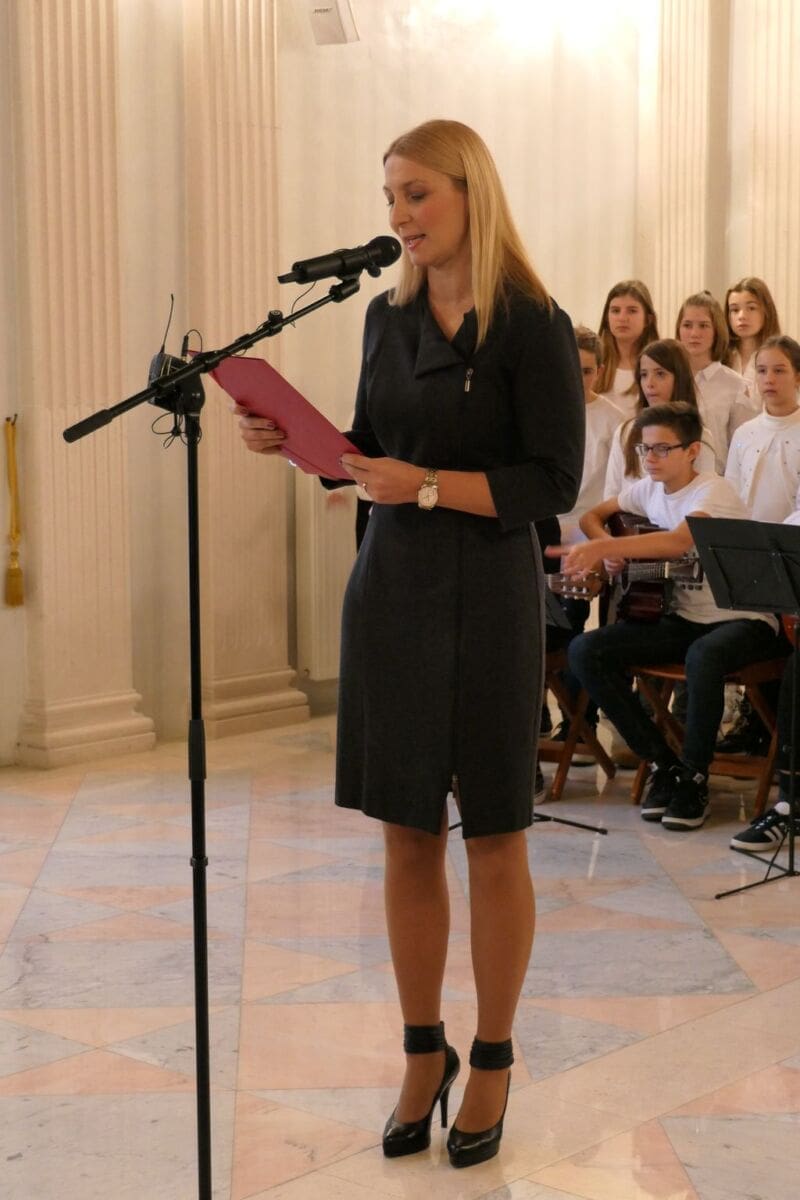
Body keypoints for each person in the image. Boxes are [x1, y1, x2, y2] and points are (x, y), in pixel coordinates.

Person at [233, 118, 584, 1168]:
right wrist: (297, 445)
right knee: (404, 832)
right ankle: (422, 1051)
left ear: (471, 192)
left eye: (416, 194)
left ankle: (494, 1058)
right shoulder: (383, 320)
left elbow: (551, 482)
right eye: (389, 196)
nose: (398, 215)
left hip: (490, 595)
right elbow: (370, 451)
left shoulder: (533, 324)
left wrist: (424, 485)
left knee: (494, 833)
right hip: (391, 591)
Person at [550, 403, 781, 832]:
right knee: (585, 650)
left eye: (661, 449)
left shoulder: (714, 491)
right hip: (683, 620)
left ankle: (695, 779)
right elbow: (593, 516)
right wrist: (608, 547)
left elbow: (677, 543)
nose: (650, 458)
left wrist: (604, 549)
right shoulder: (647, 489)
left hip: (742, 619)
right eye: (644, 449)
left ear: (692, 451)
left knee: (703, 656)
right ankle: (665, 764)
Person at [603, 338, 718, 501]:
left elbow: (704, 497)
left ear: (680, 378)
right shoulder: (626, 431)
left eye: (660, 374)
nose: (649, 383)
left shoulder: (700, 436)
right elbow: (612, 492)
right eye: (644, 375)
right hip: (628, 516)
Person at [675, 290, 754, 470]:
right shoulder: (668, 376)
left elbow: (744, 445)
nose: (694, 333)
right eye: (687, 325)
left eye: (703, 326)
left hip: (716, 477)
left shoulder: (735, 385)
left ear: (716, 330)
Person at [595, 280, 660, 418]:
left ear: (648, 319)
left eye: (632, 311)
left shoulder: (661, 364)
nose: (622, 318)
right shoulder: (594, 362)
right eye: (615, 311)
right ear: (606, 318)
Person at [725, 276, 781, 403]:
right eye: (735, 310)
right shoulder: (721, 358)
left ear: (766, 311)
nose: (742, 316)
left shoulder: (782, 357)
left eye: (751, 308)